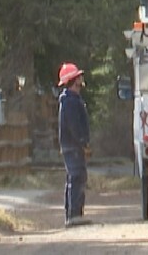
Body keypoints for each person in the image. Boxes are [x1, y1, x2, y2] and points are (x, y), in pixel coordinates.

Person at [57, 62, 91, 227]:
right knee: (77, 177)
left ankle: (74, 214)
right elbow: (74, 125)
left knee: (75, 177)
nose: (81, 79)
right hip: (73, 146)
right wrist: (82, 142)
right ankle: (74, 215)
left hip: (72, 146)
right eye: (78, 77)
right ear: (72, 80)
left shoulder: (71, 100)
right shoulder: (70, 102)